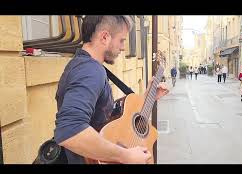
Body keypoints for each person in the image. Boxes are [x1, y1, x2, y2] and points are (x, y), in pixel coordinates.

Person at [54, 16, 169, 164]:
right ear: (104, 37)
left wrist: (149, 97)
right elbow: (70, 130)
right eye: (121, 40)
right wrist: (126, 156)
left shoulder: (86, 66)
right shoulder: (90, 70)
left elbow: (104, 118)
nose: (123, 47)